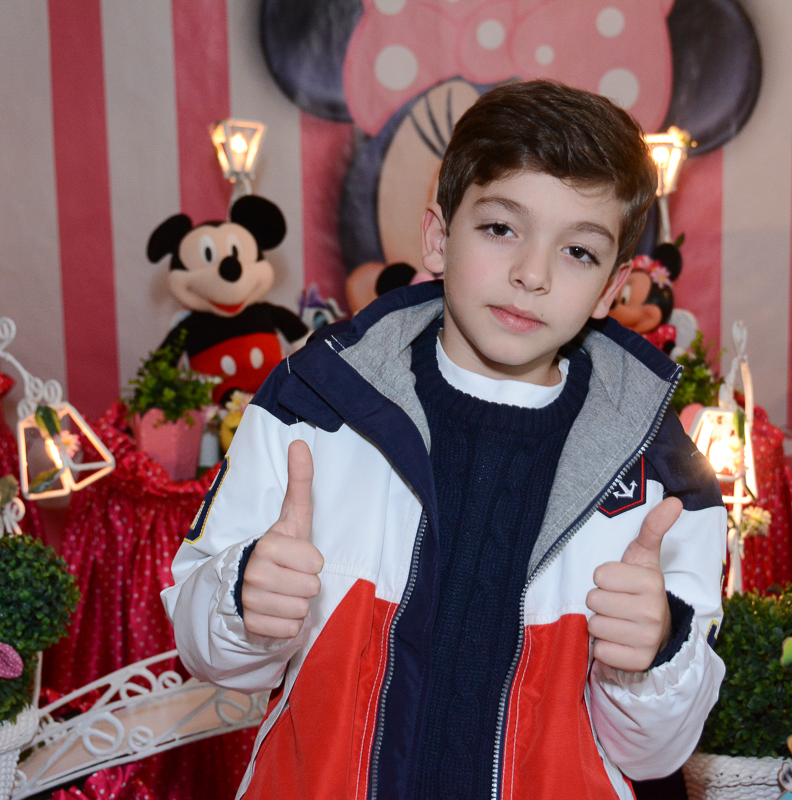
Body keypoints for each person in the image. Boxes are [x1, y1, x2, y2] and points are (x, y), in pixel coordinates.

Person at [162, 79, 727, 800]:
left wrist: (653, 655)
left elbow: (651, 755)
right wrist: (242, 600)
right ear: (437, 235)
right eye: (501, 229)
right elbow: (216, 658)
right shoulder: (314, 406)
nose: (532, 274)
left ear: (614, 287)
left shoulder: (660, 474)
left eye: (578, 252)